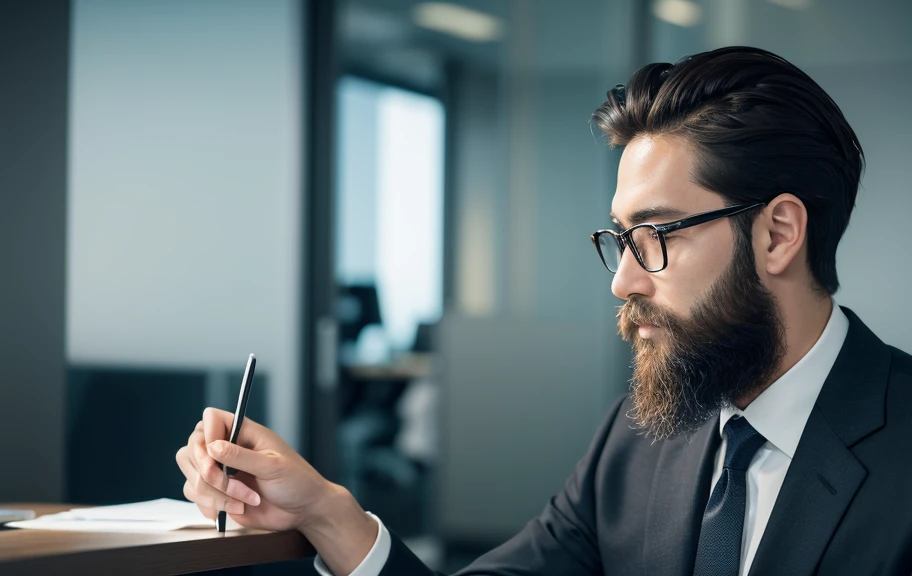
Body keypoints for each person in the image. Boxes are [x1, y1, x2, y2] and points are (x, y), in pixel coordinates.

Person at [175, 46, 912, 576]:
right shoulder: (639, 437)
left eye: (654, 236)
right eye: (619, 240)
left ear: (778, 233)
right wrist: (329, 514)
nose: (623, 280)